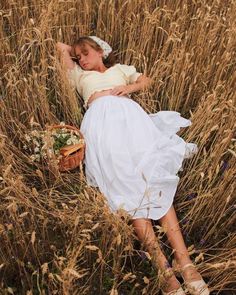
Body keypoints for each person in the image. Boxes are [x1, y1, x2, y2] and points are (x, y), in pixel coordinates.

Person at [56, 36, 210, 295]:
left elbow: (145, 79)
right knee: (127, 189)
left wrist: (129, 89)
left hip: (131, 119)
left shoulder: (120, 70)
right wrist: (74, 50)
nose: (81, 58)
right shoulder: (79, 76)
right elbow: (61, 49)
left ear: (101, 52)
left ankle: (184, 261)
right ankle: (163, 269)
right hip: (101, 126)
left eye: (86, 53)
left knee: (152, 177)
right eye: (78, 55)